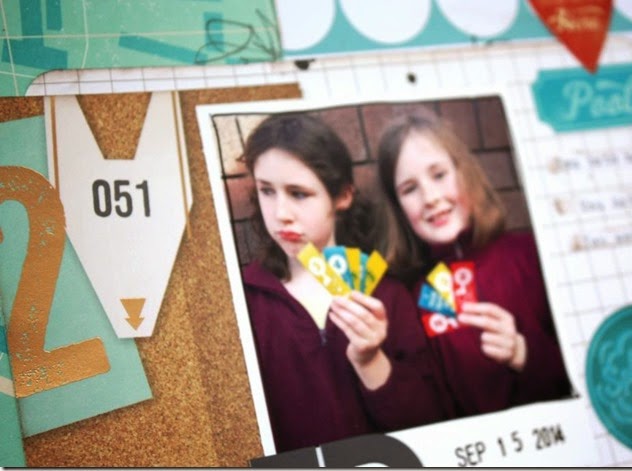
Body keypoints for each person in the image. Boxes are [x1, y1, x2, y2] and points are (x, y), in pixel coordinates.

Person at [239, 113, 448, 453]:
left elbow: (430, 423)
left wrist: (371, 361)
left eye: (299, 193)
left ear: (342, 197)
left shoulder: (388, 294)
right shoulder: (245, 300)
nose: (281, 214)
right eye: (267, 191)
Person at [376, 112, 572, 418]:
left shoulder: (532, 255)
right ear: (398, 208)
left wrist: (523, 352)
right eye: (409, 189)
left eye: (439, 175)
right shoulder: (416, 298)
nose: (430, 197)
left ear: (464, 172)